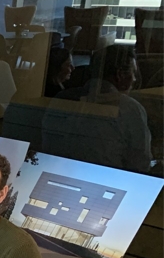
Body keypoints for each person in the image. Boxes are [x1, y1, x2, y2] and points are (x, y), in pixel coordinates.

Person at [46, 44, 154, 174]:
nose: (135, 79)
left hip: (55, 173)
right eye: (133, 73)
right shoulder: (130, 109)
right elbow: (140, 165)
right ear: (119, 74)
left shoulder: (61, 99)